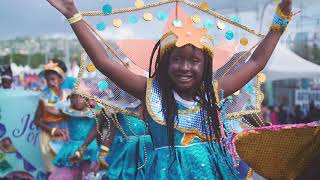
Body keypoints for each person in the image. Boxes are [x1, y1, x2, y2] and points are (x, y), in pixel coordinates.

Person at [47, 0, 292, 179]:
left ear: (206, 66)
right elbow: (105, 63)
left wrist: (279, 23)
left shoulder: (214, 93)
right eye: (177, 59)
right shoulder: (150, 92)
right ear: (164, 63)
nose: (185, 67)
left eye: (194, 61)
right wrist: (73, 16)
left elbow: (256, 62)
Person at [48, 93, 99, 180]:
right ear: (71, 99)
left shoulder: (95, 113)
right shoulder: (67, 113)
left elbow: (104, 113)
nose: (78, 100)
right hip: (72, 147)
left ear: (86, 99)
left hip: (89, 147)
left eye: (81, 97)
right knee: (72, 173)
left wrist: (95, 103)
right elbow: (50, 109)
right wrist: (54, 102)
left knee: (91, 173)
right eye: (75, 98)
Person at [34, 60, 71, 173]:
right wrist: (53, 130)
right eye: (47, 80)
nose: (50, 83)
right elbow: (36, 120)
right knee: (53, 170)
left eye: (53, 79)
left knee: (68, 169)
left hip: (67, 136)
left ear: (61, 80)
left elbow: (76, 116)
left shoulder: (69, 95)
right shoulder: (43, 98)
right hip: (48, 137)